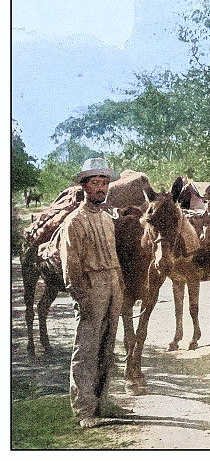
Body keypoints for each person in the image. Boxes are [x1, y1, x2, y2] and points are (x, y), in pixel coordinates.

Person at [59, 158, 123, 428]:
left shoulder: (108, 220)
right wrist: (83, 299)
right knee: (86, 350)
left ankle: (101, 404)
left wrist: (118, 287)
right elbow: (71, 268)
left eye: (104, 183)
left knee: (107, 348)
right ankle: (85, 411)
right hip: (91, 288)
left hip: (112, 285)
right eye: (95, 183)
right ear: (84, 186)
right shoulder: (74, 222)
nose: (101, 188)